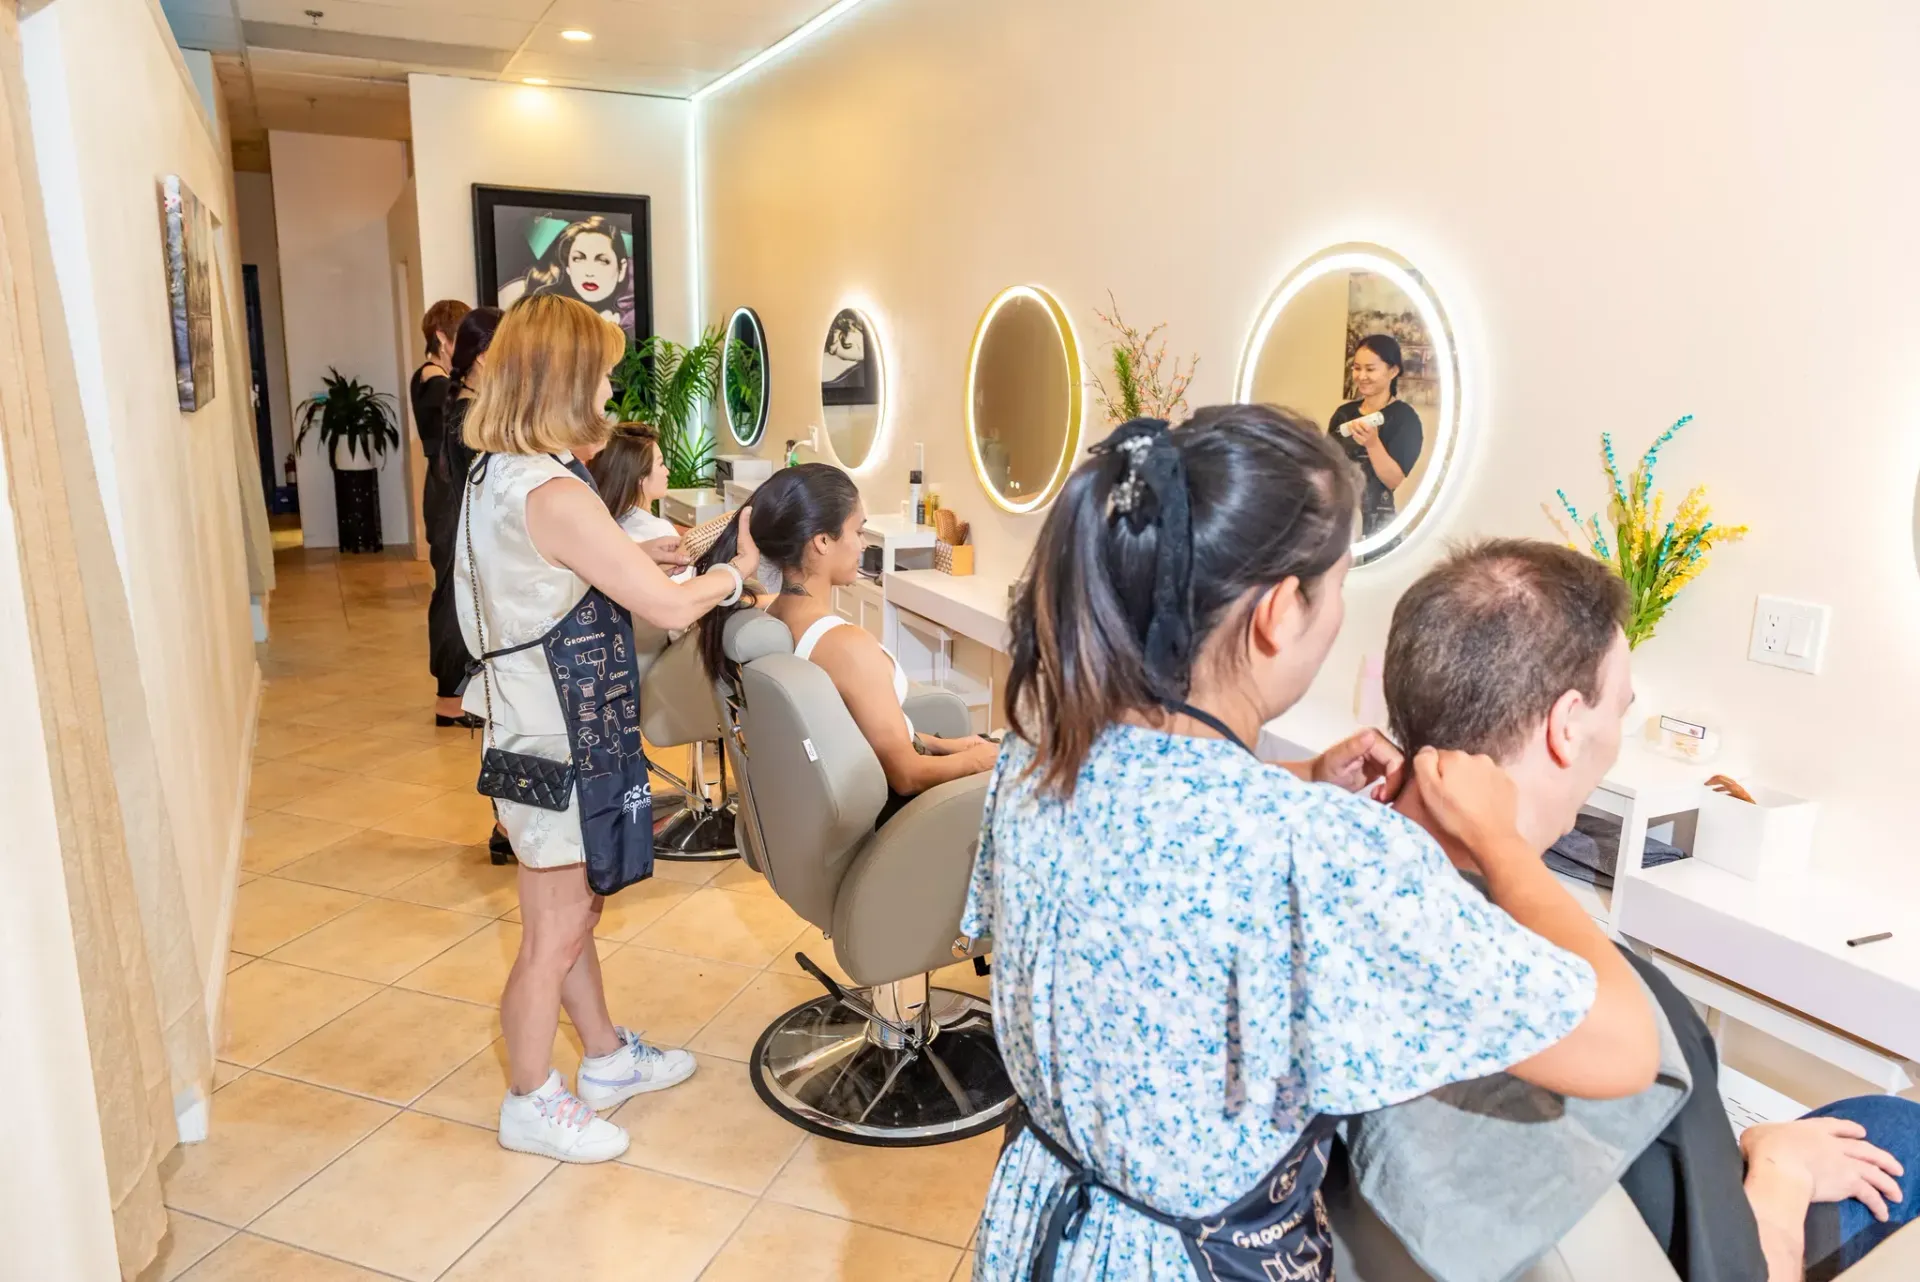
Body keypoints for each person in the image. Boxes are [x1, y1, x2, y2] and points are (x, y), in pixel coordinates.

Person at [965, 407, 1659, 1281]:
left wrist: (1297, 780)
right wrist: (1503, 842)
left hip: (1043, 1227)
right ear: (1280, 612)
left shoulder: (1040, 751)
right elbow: (1623, 1047)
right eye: (1336, 589)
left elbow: (1168, 832)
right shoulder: (1314, 854)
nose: (1337, 619)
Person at [1383, 538, 1919, 1282]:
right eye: (1621, 710)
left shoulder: (1340, 886)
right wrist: (1779, 1174)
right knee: (1904, 1132)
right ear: (1566, 725)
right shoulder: (1622, 1017)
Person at [455, 293, 761, 1164]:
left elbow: (564, 573)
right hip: (553, 733)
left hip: (536, 722)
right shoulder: (551, 489)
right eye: (601, 371)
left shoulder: (503, 473)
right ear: (563, 379)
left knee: (575, 909)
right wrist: (731, 577)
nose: (610, 385)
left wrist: (642, 556)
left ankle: (606, 1059)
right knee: (553, 929)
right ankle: (528, 1098)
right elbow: (663, 605)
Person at [696, 463, 999, 826]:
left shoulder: (770, 616)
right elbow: (906, 775)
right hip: (903, 821)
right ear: (822, 541)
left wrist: (948, 745)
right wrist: (984, 761)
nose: (863, 543)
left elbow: (853, 727)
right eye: (858, 530)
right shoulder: (846, 646)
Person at [1327, 334, 1422, 539]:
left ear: (1393, 371)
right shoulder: (1343, 414)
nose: (1361, 376)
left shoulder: (1405, 419)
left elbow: (1393, 480)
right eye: (1356, 368)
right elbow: (1328, 467)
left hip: (1379, 525)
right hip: (1340, 518)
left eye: (1370, 369)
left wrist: (1373, 444)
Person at [585, 423, 690, 578]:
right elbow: (686, 594)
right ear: (640, 477)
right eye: (661, 464)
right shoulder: (659, 533)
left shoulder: (606, 526)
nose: (667, 471)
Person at [497, 215, 634, 332]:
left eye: (602, 261)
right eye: (578, 259)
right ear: (568, 267)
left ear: (622, 269)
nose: (589, 272)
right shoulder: (523, 292)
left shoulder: (629, 315)